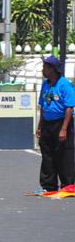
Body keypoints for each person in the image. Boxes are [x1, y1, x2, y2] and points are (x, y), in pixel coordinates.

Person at [36, 55, 75, 191]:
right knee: (47, 154)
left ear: (52, 69)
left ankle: (68, 185)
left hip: (61, 122)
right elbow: (42, 106)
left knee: (64, 154)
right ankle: (49, 185)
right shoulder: (45, 85)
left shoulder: (65, 84)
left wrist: (64, 129)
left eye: (45, 67)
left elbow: (69, 107)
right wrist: (40, 126)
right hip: (47, 123)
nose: (43, 70)